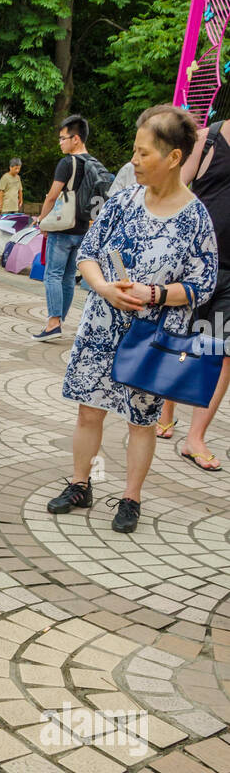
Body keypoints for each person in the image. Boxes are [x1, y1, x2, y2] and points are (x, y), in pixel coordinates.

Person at [47, 104, 218, 534]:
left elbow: (203, 283)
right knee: (89, 411)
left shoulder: (196, 218)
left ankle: (131, 498)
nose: (134, 161)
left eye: (143, 153)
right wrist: (104, 288)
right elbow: (87, 254)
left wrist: (158, 294)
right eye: (135, 151)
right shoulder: (122, 201)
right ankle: (80, 484)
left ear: (174, 157)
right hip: (103, 325)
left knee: (142, 420)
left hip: (151, 335)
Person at [157, 117, 230, 469]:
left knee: (221, 350)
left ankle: (195, 438)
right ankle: (166, 409)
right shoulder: (209, 138)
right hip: (196, 265)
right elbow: (177, 187)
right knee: (179, 340)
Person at [34, 114, 93, 340]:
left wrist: (42, 219)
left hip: (62, 227)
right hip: (82, 227)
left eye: (62, 138)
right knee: (69, 277)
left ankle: (53, 323)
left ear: (75, 139)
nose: (60, 142)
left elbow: (52, 195)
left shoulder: (67, 163)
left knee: (53, 275)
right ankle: (60, 320)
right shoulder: (94, 163)